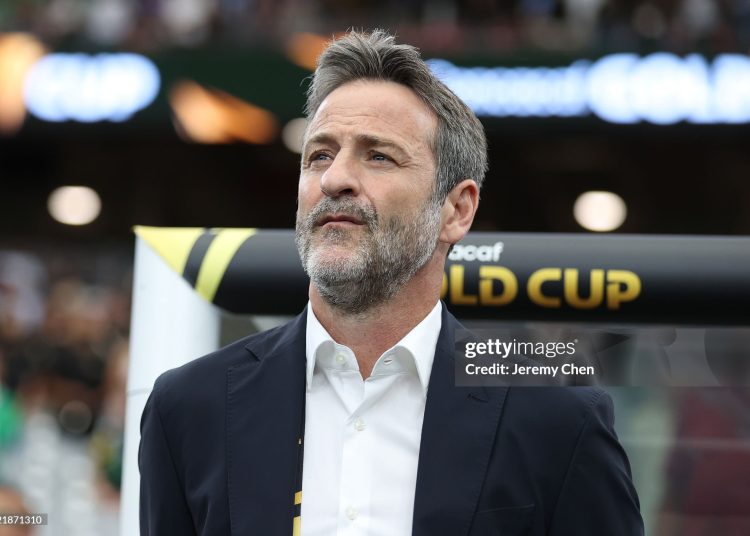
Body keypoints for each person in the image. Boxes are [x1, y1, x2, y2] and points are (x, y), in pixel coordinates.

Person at [138, 29, 644, 535]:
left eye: (378, 155)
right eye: (319, 155)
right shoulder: (186, 407)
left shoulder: (557, 414)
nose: (335, 178)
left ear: (457, 209)